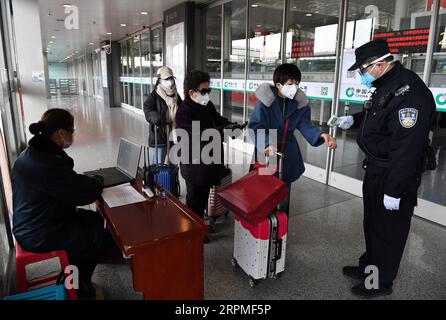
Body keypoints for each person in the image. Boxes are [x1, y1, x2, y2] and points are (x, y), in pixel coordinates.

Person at [336, 40, 436, 297]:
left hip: (394, 175)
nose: (362, 75)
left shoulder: (410, 92)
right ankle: (368, 268)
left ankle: (378, 283)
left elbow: (408, 149)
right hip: (376, 171)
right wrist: (354, 120)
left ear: (379, 64)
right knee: (373, 225)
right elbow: (378, 115)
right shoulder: (386, 85)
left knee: (388, 233)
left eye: (364, 70)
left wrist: (394, 189)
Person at [12, 109, 112, 299]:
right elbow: (84, 193)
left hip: (33, 222)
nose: (73, 134)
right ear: (60, 133)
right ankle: (79, 287)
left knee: (93, 218)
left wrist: (86, 182)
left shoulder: (32, 153)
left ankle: (75, 272)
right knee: (92, 234)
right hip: (37, 232)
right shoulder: (47, 164)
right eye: (71, 130)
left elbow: (69, 186)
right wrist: (99, 180)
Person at [249, 63, 337, 215]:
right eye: (290, 84)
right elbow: (256, 126)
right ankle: (262, 227)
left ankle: (280, 228)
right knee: (263, 189)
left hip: (287, 151)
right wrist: (266, 144)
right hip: (267, 150)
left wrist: (321, 134)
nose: (294, 87)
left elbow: (305, 125)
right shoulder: (265, 101)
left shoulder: (299, 104)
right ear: (279, 85)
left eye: (297, 84)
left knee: (283, 189)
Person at [175, 70, 243, 242]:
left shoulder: (207, 105)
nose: (207, 94)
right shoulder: (184, 112)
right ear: (192, 93)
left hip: (208, 164)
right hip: (194, 166)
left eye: (208, 90)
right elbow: (198, 136)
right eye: (204, 91)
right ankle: (193, 233)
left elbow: (218, 120)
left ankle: (200, 224)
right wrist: (222, 131)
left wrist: (231, 125)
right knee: (193, 201)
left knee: (204, 196)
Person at [143, 66, 182, 164]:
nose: (170, 81)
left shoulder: (176, 94)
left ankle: (173, 179)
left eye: (171, 78)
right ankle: (156, 179)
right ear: (160, 80)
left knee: (173, 164)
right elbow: (147, 109)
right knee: (158, 164)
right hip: (160, 134)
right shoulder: (154, 95)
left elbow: (182, 108)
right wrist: (156, 117)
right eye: (166, 79)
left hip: (174, 134)